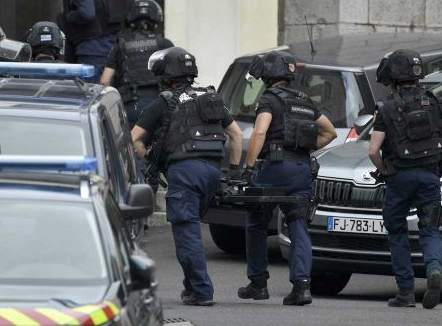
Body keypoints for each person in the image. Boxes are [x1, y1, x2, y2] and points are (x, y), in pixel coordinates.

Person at [130, 47, 243, 306]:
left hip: (184, 173)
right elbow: (236, 135)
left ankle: (202, 292)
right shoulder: (211, 97)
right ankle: (191, 286)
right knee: (190, 229)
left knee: (187, 233)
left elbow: (134, 137)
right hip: (213, 173)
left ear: (166, 75)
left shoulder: (164, 101)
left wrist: (148, 158)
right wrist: (235, 170)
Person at [236, 51, 337, 306]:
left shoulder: (269, 99)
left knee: (256, 221)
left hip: (275, 168)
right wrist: (306, 149)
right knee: (298, 224)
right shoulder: (304, 100)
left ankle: (258, 283)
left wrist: (248, 168)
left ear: (268, 75)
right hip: (301, 169)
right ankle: (302, 287)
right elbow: (331, 132)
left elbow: (259, 132)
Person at [368, 49, 442, 309]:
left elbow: (373, 150)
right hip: (430, 176)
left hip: (399, 178)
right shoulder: (434, 100)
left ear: (393, 78)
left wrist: (384, 169)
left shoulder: (385, 108)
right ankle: (434, 269)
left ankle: (406, 293)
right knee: (430, 229)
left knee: (397, 231)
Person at [100, 0, 173, 125]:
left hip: (130, 106)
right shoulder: (164, 44)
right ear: (156, 18)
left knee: (133, 142)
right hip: (160, 104)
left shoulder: (121, 45)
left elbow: (104, 81)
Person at [56, 0, 118, 82]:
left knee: (87, 96)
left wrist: (69, 17)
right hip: (108, 48)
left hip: (91, 52)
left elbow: (86, 13)